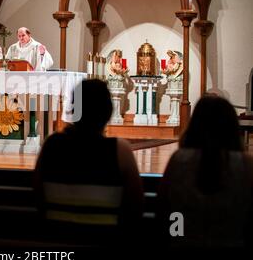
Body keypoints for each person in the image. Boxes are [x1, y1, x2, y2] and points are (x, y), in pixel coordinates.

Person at [34, 79, 144, 245]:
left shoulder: (52, 144)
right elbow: (135, 206)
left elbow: (38, 195)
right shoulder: (120, 150)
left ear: (73, 109)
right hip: (104, 242)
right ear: (108, 112)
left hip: (56, 240)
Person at [157, 95, 253, 247]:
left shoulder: (179, 159)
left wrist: (177, 237)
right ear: (231, 126)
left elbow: (165, 207)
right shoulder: (245, 164)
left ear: (195, 124)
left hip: (184, 243)